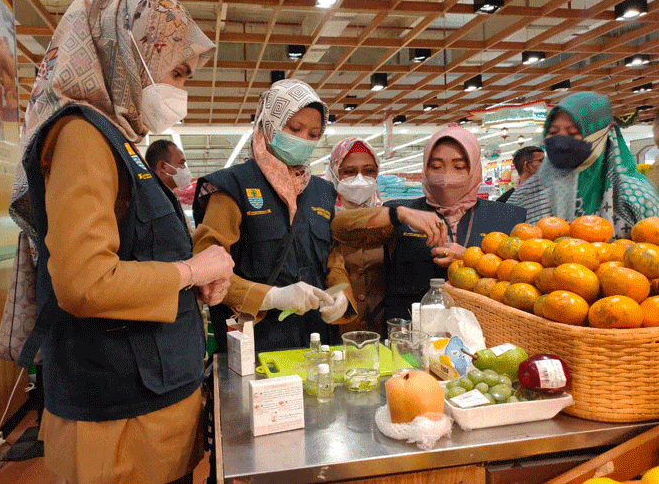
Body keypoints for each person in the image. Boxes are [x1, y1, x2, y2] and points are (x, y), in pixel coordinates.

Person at [8, 0, 235, 484]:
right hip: (119, 420)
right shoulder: (82, 136)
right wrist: (191, 269)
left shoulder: (120, 140)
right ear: (130, 53)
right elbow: (85, 282)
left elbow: (132, 251)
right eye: (176, 72)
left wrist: (190, 281)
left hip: (149, 406)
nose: (182, 91)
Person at [192, 78, 357, 352]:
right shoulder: (232, 187)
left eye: (314, 134)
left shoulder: (322, 191)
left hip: (318, 342)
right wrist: (272, 296)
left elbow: (332, 256)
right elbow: (207, 269)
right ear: (270, 123)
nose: (304, 140)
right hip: (255, 344)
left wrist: (341, 292)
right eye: (295, 128)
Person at [331, 126, 526, 335]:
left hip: (485, 334)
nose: (446, 177)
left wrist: (471, 258)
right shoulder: (402, 210)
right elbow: (341, 228)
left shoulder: (509, 217)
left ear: (475, 169)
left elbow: (522, 280)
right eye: (436, 166)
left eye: (459, 166)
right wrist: (399, 214)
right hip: (410, 337)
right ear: (426, 168)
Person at [508, 92, 659, 238]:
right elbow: (498, 247)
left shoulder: (635, 194)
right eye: (553, 133)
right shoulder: (526, 194)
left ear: (600, 135)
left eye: (573, 133)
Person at [323, 136, 384, 334]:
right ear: (334, 172)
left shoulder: (387, 219)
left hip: (381, 331)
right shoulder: (322, 218)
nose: (360, 178)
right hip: (336, 330)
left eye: (369, 171)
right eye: (349, 172)